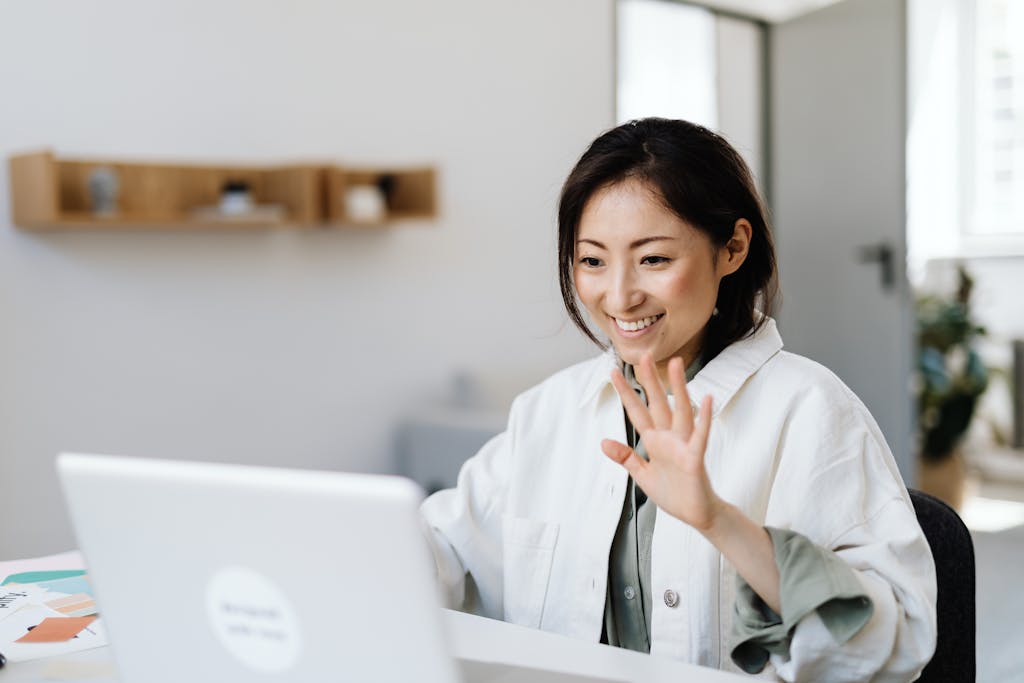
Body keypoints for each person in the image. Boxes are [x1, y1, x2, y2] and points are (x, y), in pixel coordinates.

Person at [420, 118, 937, 681]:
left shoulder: (810, 409)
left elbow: (898, 641)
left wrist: (718, 522)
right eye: (592, 260)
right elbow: (441, 551)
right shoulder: (547, 412)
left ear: (733, 248)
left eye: (654, 260)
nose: (618, 296)